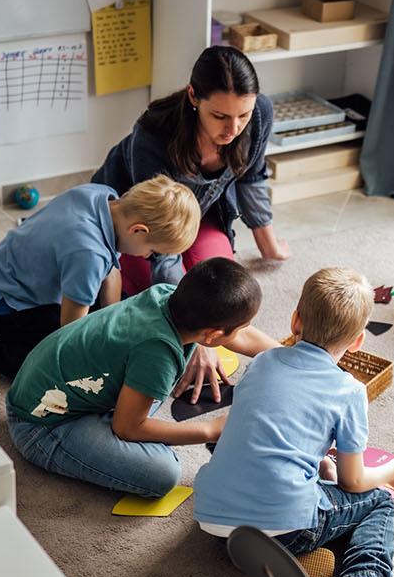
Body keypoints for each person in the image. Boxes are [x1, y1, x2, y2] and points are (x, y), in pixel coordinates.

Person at [193, 267, 394, 577]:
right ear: (358, 342)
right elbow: (353, 481)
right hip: (284, 522)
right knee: (377, 503)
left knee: (250, 450)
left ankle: (279, 560)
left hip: (210, 517)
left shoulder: (261, 363)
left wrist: (318, 463)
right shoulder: (350, 391)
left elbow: (270, 427)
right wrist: (393, 471)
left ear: (295, 320)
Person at [92, 45, 288, 402]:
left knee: (229, 291)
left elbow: (253, 177)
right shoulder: (152, 137)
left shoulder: (259, 113)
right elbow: (162, 244)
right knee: (163, 301)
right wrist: (195, 332)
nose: (234, 128)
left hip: (202, 214)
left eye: (242, 115)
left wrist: (267, 242)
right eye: (220, 116)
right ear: (193, 96)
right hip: (142, 229)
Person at [4, 257, 271, 498]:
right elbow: (126, 428)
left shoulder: (169, 296)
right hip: (40, 425)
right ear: (212, 336)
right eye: (241, 327)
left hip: (54, 388)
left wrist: (290, 355)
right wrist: (209, 430)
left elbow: (242, 337)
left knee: (151, 391)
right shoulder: (157, 353)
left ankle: (119, 413)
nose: (245, 332)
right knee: (163, 474)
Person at [0, 176, 199, 379]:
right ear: (138, 231)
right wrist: (100, 355)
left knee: (125, 309)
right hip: (6, 301)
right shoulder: (87, 252)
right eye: (152, 252)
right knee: (51, 368)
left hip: (18, 275)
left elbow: (111, 272)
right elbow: (70, 333)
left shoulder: (103, 196)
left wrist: (113, 322)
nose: (147, 257)